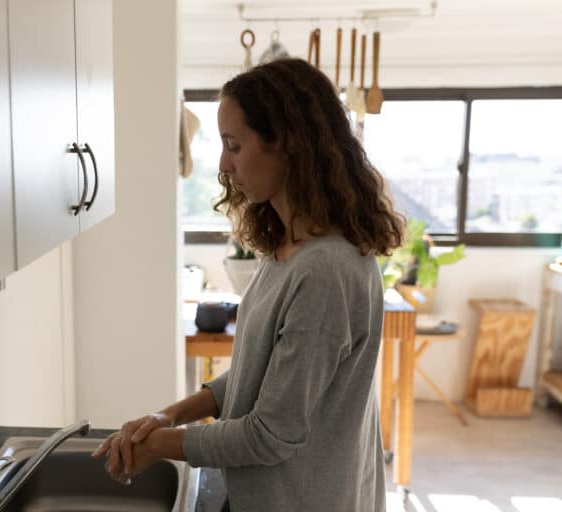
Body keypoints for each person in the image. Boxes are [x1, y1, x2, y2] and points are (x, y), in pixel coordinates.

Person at [91, 57, 405, 511]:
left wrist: (160, 445)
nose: (223, 164)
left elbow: (271, 434)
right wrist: (170, 415)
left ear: (288, 145)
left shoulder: (324, 272)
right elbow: (254, 377)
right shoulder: (287, 248)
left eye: (234, 146)